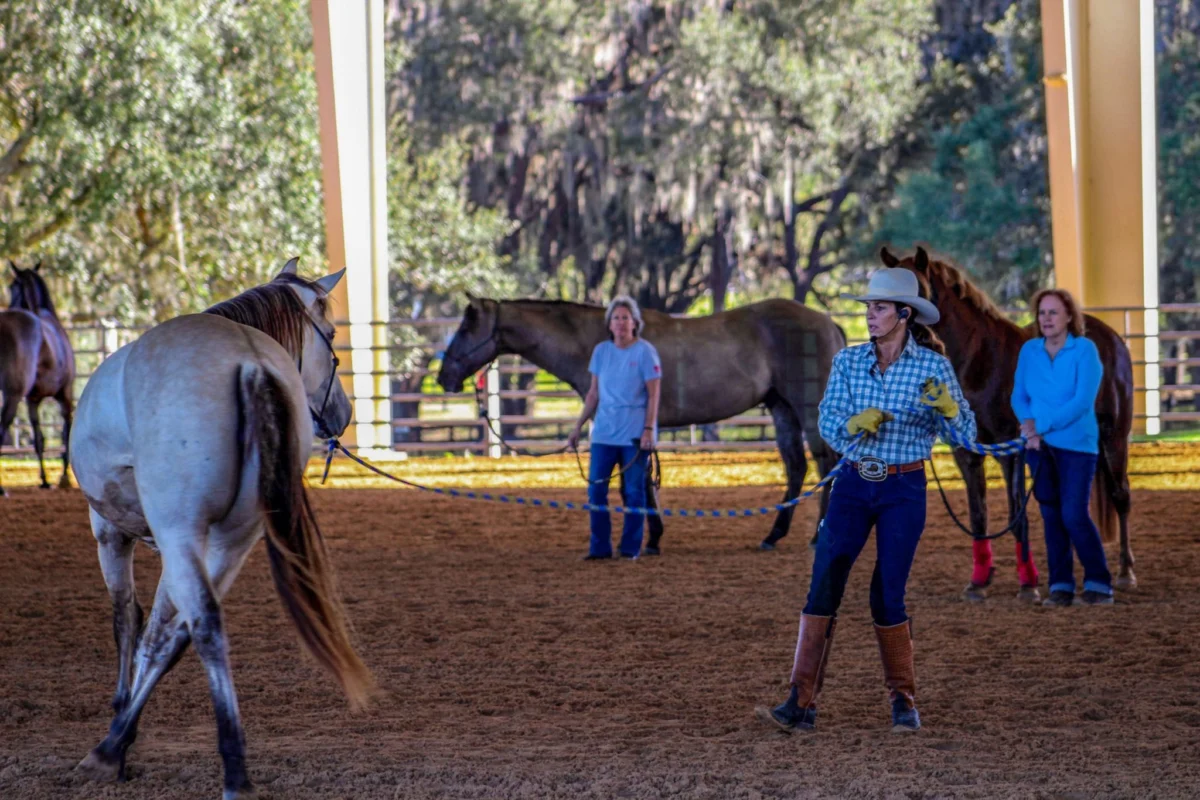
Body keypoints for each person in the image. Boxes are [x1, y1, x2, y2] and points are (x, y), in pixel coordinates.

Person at [757, 267, 976, 734]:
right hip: (854, 484)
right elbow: (828, 422)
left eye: (879, 308)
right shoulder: (848, 362)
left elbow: (967, 436)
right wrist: (852, 425)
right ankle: (800, 700)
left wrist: (950, 409)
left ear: (904, 314)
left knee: (887, 592)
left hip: (904, 488)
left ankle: (903, 700)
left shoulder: (932, 368)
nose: (870, 315)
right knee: (824, 583)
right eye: (869, 308)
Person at [1012, 288, 1113, 607]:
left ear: (1069, 316)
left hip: (1077, 446)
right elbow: (1019, 396)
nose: (1046, 319)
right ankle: (1061, 585)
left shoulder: (1084, 350)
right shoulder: (1029, 351)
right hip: (1037, 447)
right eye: (1042, 313)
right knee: (1051, 515)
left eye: (1053, 312)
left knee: (1073, 514)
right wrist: (1028, 426)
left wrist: (1039, 427)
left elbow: (1082, 402)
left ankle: (1099, 582)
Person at [567, 296, 662, 560]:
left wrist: (648, 429)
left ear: (635, 323)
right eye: (616, 318)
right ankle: (600, 547)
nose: (620, 323)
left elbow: (654, 394)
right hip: (604, 433)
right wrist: (578, 426)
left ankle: (630, 548)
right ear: (609, 324)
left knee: (633, 491)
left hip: (634, 434)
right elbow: (593, 394)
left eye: (625, 318)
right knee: (596, 490)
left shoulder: (645, 352)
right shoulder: (601, 352)